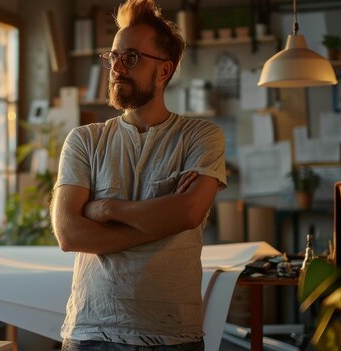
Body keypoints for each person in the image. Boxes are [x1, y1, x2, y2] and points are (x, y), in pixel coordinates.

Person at [51, 0, 226, 350]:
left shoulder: (200, 137)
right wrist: (162, 220)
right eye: (112, 56)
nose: (116, 67)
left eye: (130, 57)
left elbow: (188, 213)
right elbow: (69, 234)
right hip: (91, 332)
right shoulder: (84, 140)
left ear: (163, 71)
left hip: (172, 335)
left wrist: (108, 210)